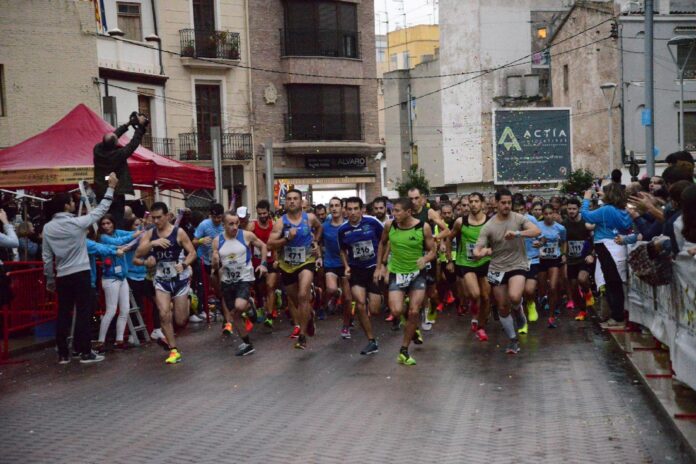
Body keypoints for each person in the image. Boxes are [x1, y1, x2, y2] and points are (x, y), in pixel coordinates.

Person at [43, 172, 119, 364]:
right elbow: (100, 210)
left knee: (63, 313)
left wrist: (50, 279)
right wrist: (111, 188)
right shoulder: (76, 223)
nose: (73, 203)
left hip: (62, 274)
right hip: (81, 272)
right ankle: (84, 351)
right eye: (71, 201)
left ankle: (63, 353)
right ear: (65, 206)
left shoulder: (48, 228)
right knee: (84, 312)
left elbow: (47, 257)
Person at [473, 188, 541, 354]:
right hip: (497, 268)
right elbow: (477, 249)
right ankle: (512, 340)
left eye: (509, 203)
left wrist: (518, 233)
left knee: (515, 296)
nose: (506, 206)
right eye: (503, 203)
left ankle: (518, 310)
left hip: (518, 264)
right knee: (503, 307)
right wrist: (481, 252)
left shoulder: (518, 218)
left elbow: (536, 231)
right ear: (496, 203)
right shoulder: (489, 226)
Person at [375, 198, 436, 366]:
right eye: (392, 211)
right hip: (397, 272)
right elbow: (382, 244)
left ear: (408, 212)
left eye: (397, 211)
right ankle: (412, 326)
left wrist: (425, 258)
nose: (393, 214)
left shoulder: (422, 227)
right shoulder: (390, 225)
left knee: (414, 311)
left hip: (417, 273)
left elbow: (433, 250)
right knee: (396, 311)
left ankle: (404, 351)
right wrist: (380, 266)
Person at [135, 202, 197, 364]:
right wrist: (152, 244)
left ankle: (189, 300)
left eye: (159, 217)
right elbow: (137, 255)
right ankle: (173, 350)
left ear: (167, 216)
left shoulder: (179, 232)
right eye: (153, 218)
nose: (156, 221)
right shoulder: (150, 234)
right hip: (161, 280)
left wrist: (184, 264)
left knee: (181, 320)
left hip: (180, 280)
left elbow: (192, 253)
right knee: (163, 313)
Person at [268, 189, 323, 350]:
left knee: (302, 294)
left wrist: (315, 242)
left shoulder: (309, 218)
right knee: (296, 300)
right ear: (286, 202)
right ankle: (309, 316)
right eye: (289, 199)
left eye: (295, 198)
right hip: (287, 266)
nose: (292, 201)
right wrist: (287, 239)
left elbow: (319, 228)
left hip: (306, 261)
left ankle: (302, 336)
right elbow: (270, 244)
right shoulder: (281, 222)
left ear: (301, 201)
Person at [212, 212, 268, 357]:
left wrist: (263, 264)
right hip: (227, 281)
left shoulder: (246, 236)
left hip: (244, 277)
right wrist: (215, 262)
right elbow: (215, 266)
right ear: (224, 225)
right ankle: (248, 344)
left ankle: (248, 304)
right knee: (234, 314)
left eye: (237, 223)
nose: (235, 227)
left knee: (239, 306)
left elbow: (263, 246)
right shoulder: (217, 241)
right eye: (231, 224)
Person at [581, 184, 632, 328]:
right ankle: (618, 316)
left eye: (604, 192)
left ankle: (617, 318)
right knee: (616, 283)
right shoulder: (622, 210)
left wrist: (586, 199)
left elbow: (586, 216)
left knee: (612, 284)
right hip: (618, 248)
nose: (600, 193)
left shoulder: (607, 209)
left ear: (610, 194)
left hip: (607, 248)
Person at [338, 197, 384, 355]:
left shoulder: (372, 222)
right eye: (349, 209)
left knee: (375, 310)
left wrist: (381, 265)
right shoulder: (343, 229)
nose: (352, 212)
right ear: (346, 211)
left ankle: (379, 298)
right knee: (360, 304)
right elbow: (342, 250)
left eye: (355, 209)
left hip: (373, 269)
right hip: (356, 270)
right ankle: (371, 341)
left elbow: (385, 241)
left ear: (362, 209)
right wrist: (346, 266)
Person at [95, 214, 142, 351]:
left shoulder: (117, 232)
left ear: (113, 223)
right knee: (111, 310)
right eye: (103, 224)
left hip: (122, 277)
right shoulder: (103, 237)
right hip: (110, 278)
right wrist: (135, 235)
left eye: (108, 223)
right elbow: (119, 241)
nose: (106, 226)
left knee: (125, 310)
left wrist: (140, 229)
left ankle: (119, 340)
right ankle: (100, 341)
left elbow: (127, 235)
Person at [449, 193, 491, 341]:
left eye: (476, 201)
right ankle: (475, 312)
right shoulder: (461, 222)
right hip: (466, 262)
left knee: (486, 297)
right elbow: (449, 238)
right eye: (471, 201)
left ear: (482, 204)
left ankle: (481, 326)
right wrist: (449, 259)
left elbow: (498, 242)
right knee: (474, 294)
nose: (473, 204)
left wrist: (487, 251)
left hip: (485, 262)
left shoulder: (490, 222)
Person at [93, 114, 148, 228]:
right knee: (116, 221)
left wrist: (128, 124)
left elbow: (112, 137)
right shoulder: (117, 154)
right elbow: (133, 144)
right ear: (115, 144)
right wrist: (140, 127)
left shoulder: (97, 149)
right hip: (115, 194)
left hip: (102, 187)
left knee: (104, 220)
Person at [407, 187, 450, 331]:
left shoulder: (429, 212)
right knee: (419, 288)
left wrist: (435, 238)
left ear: (422, 198)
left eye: (416, 198)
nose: (414, 201)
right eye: (411, 199)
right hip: (412, 257)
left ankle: (434, 306)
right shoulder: (407, 213)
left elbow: (446, 230)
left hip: (428, 255)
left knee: (431, 291)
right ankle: (424, 315)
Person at [321, 197, 352, 338]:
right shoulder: (324, 226)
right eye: (332, 206)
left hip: (346, 265)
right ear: (329, 209)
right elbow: (317, 241)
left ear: (342, 208)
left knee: (348, 298)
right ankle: (329, 299)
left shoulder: (348, 225)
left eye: (337, 205)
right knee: (331, 289)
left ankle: (346, 326)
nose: (334, 208)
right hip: (330, 263)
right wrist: (318, 256)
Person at [534, 204, 567, 328]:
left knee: (553, 287)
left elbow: (564, 241)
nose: (548, 216)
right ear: (543, 214)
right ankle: (543, 299)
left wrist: (563, 254)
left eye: (550, 213)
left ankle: (551, 316)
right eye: (546, 214)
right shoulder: (537, 226)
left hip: (554, 259)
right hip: (541, 260)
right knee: (542, 288)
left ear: (554, 213)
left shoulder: (560, 228)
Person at [248, 199, 279, 327]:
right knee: (260, 289)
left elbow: (278, 244)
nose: (262, 216)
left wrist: (277, 260)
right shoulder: (252, 226)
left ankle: (270, 315)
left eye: (264, 213)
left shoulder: (274, 225)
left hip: (271, 261)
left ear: (268, 212)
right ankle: (261, 306)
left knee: (270, 286)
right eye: (259, 214)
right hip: (256, 262)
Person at [192, 203, 224, 322]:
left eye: (219, 217)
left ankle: (222, 303)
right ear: (210, 216)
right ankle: (203, 309)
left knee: (221, 284)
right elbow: (193, 242)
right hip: (204, 260)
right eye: (214, 217)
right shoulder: (204, 224)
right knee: (204, 286)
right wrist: (201, 240)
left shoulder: (225, 224)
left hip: (220, 260)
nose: (217, 220)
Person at [563, 198, 595, 321]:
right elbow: (563, 241)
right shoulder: (564, 224)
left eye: (574, 209)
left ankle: (587, 292)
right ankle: (582, 310)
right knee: (574, 288)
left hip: (584, 258)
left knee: (582, 279)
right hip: (571, 260)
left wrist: (592, 254)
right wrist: (564, 254)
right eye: (569, 209)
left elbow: (595, 239)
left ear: (579, 209)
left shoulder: (586, 222)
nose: (571, 211)